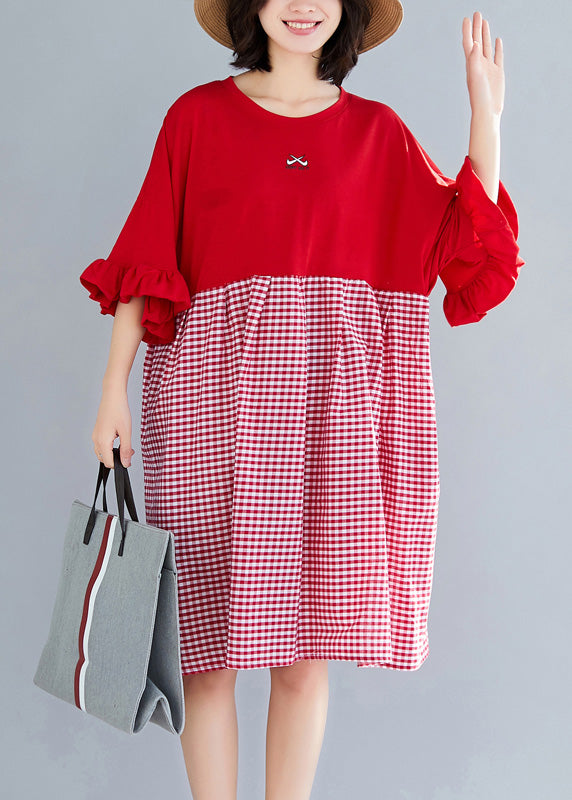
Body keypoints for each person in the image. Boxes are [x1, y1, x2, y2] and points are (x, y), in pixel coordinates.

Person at [79, 1, 524, 797]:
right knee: (204, 650)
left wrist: (484, 117)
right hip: (207, 407)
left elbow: (465, 241)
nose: (302, 4)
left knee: (305, 651)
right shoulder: (195, 119)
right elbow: (144, 260)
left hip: (336, 418)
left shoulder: (380, 133)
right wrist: (112, 389)